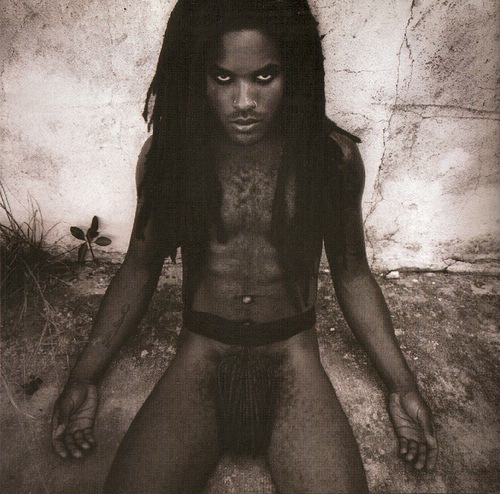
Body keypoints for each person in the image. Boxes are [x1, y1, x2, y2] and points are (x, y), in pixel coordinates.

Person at [51, 0, 438, 492]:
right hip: (203, 352)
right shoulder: (172, 157)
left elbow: (353, 273)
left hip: (292, 356)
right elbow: (139, 268)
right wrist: (84, 376)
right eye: (222, 78)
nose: (243, 101)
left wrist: (402, 385)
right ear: (197, 75)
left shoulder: (328, 159)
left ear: (294, 72)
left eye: (264, 77)